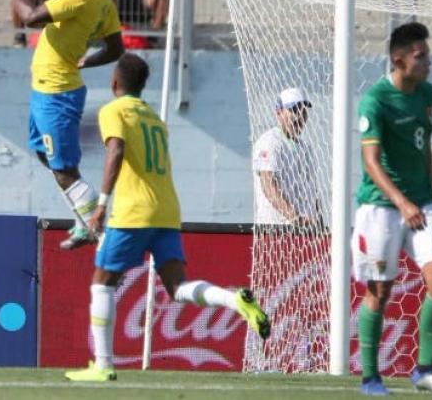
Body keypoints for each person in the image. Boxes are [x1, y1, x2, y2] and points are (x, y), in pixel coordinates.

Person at [64, 53, 271, 382]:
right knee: (177, 287)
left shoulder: (113, 111)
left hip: (134, 212)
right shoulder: (154, 118)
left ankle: (102, 364)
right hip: (167, 210)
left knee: (102, 282)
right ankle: (234, 300)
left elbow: (115, 150)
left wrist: (102, 203)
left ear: (114, 82)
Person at [352, 22, 432, 396]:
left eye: (427, 54)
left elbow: (423, 146)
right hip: (381, 208)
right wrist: (402, 201)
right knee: (380, 291)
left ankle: (425, 370)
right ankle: (370, 378)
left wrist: (427, 196)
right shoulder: (375, 100)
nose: (429, 61)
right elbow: (371, 161)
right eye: (421, 55)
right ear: (398, 59)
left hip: (423, 205)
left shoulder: (429, 94)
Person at [10, 0, 124, 248]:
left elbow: (31, 17)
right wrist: (87, 60)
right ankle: (84, 218)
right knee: (46, 156)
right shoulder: (104, 1)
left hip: (57, 94)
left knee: (63, 169)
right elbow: (115, 48)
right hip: (47, 89)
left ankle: (100, 233)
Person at [252, 87, 321, 228]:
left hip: (304, 233)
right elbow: (268, 185)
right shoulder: (269, 142)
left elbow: (312, 192)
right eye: (294, 110)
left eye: (303, 112)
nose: (299, 117)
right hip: (275, 230)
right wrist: (295, 218)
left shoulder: (305, 148)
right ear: (279, 112)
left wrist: (319, 225)